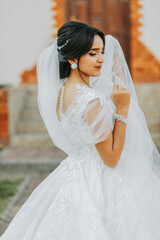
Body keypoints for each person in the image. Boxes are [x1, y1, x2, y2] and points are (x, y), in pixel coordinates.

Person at [1, 20, 160, 240]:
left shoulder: (64, 90)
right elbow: (112, 158)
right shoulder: (90, 100)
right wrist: (122, 109)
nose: (102, 59)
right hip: (100, 179)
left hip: (75, 170)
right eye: (93, 54)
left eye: (101, 52)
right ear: (73, 58)